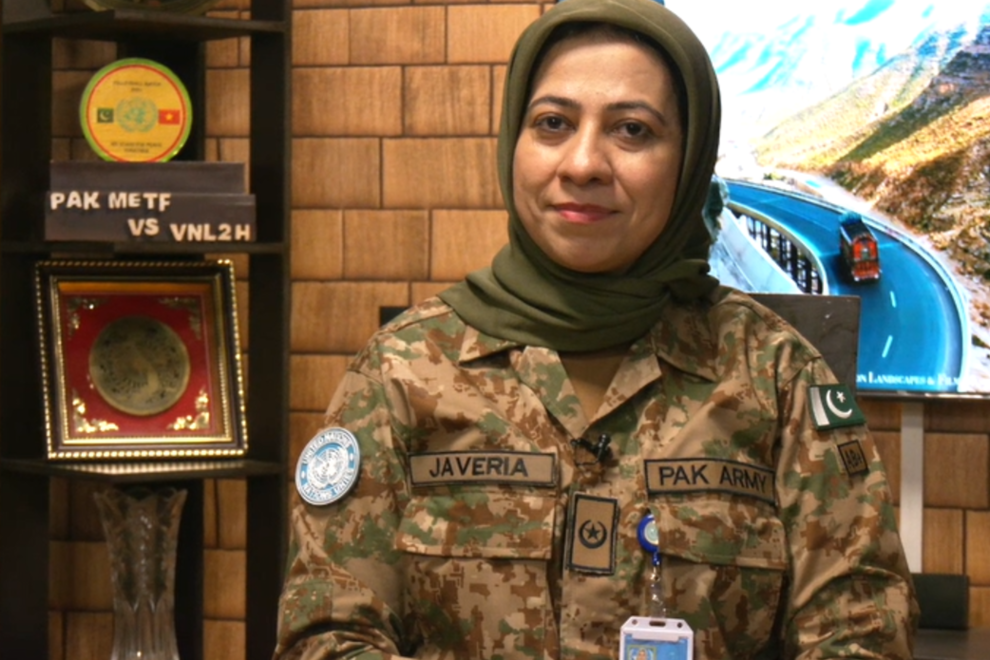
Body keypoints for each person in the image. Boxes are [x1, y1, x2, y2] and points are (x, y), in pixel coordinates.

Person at [274, 0, 918, 657]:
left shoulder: (776, 375)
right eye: (552, 123)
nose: (582, 163)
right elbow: (328, 635)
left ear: (689, 161)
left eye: (632, 130)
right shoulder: (403, 370)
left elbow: (861, 634)